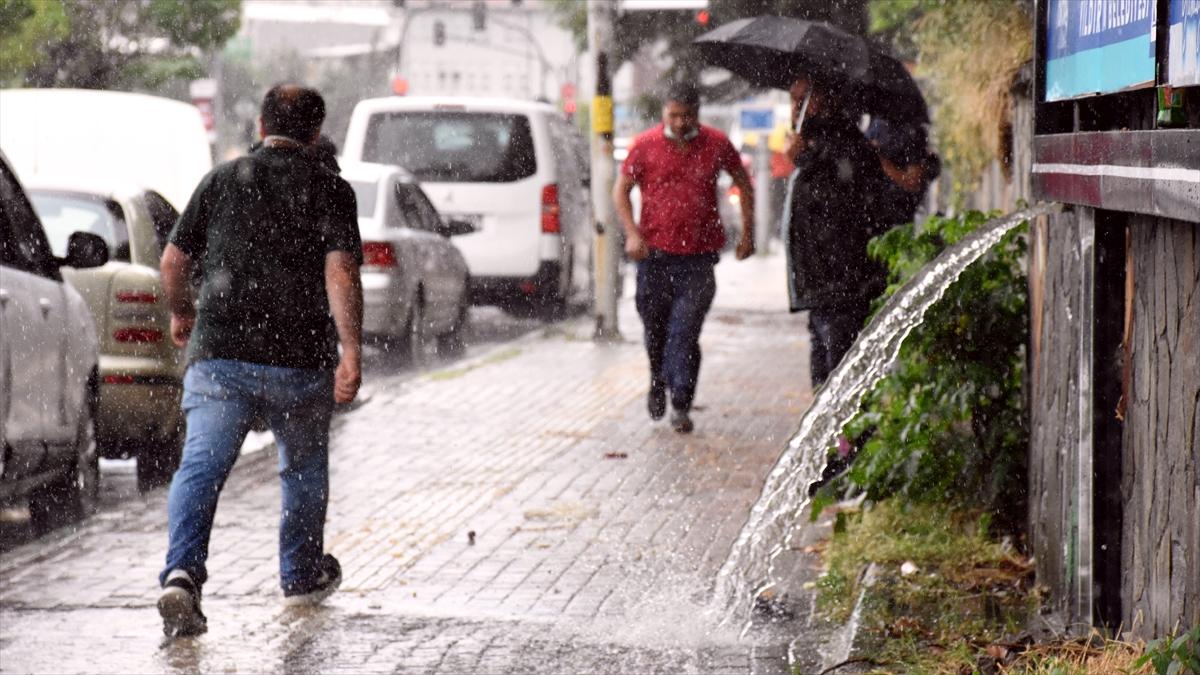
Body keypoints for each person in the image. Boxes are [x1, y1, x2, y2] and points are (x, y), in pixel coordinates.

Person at [155, 83, 363, 637]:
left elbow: (173, 262)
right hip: (300, 358)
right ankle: (299, 577)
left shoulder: (223, 180)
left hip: (221, 354)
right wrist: (352, 349)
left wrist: (183, 314)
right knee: (301, 469)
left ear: (260, 124)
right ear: (315, 132)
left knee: (202, 466)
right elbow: (340, 272)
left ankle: (181, 574)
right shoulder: (330, 189)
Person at [613, 82, 755, 434]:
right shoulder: (644, 146)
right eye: (673, 115)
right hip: (654, 257)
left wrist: (748, 232)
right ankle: (657, 379)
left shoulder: (716, 143)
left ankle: (681, 402)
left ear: (697, 114)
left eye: (686, 116)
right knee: (655, 332)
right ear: (665, 112)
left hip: (698, 259)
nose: (679, 122)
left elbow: (743, 182)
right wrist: (631, 232)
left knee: (685, 332)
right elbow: (621, 189)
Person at [782, 76, 894, 388]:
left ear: (826, 100)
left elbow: (840, 209)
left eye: (802, 100)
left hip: (841, 284)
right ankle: (833, 437)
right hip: (820, 286)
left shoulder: (845, 145)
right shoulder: (816, 143)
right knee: (823, 378)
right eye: (792, 101)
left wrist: (805, 160)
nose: (795, 109)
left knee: (840, 377)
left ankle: (849, 438)